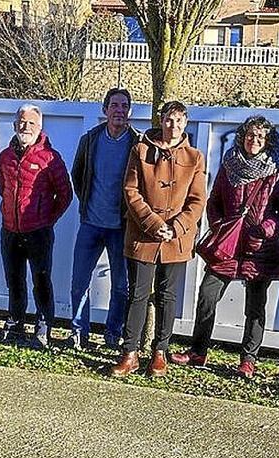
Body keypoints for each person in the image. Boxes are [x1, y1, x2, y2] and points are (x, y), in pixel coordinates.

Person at [170, 116, 279, 378]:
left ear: (267, 141)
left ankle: (248, 360)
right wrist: (218, 225)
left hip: (258, 248)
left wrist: (268, 228)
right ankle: (198, 352)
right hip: (226, 246)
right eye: (250, 135)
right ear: (242, 136)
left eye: (260, 137)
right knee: (206, 296)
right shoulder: (229, 167)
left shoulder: (276, 173)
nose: (254, 141)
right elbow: (213, 201)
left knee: (255, 306)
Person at [111, 101, 207, 378]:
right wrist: (153, 223)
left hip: (176, 240)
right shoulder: (140, 150)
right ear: (161, 120)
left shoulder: (195, 157)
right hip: (143, 235)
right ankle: (130, 353)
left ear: (185, 123)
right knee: (137, 295)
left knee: (167, 296)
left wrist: (175, 227)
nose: (173, 126)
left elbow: (198, 199)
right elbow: (131, 191)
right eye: (168, 119)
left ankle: (160, 351)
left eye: (178, 120)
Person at [0, 104, 72, 349]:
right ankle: (15, 322)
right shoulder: (5, 156)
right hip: (10, 229)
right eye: (21, 121)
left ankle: (43, 327)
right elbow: (2, 188)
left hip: (38, 231)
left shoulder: (50, 158)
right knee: (14, 280)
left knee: (41, 281)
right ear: (15, 123)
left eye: (31, 123)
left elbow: (65, 194)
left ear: (40, 127)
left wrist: (46, 218)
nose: (25, 127)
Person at [69, 88, 139, 350]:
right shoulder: (90, 140)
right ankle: (79, 332)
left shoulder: (137, 144)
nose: (119, 110)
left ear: (129, 112)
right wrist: (87, 203)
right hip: (91, 223)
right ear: (105, 109)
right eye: (114, 105)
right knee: (79, 283)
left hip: (121, 226)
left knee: (121, 286)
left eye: (124, 106)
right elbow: (78, 175)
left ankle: (113, 333)